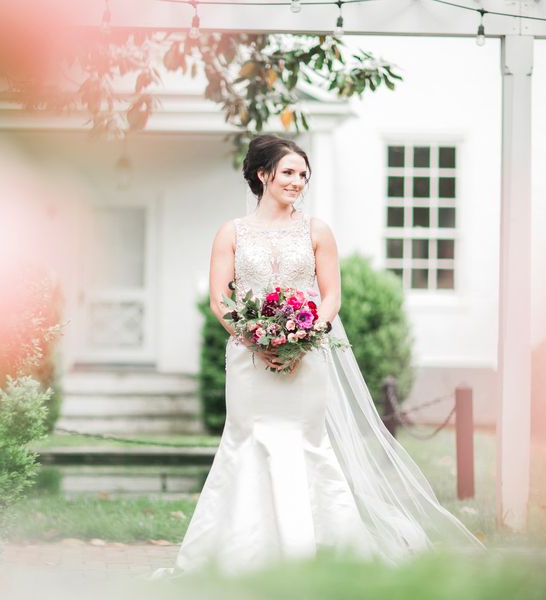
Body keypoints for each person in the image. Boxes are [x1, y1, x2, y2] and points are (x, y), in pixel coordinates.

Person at [151, 134, 484, 579]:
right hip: (249, 364)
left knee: (306, 444)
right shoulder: (230, 233)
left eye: (303, 175)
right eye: (288, 172)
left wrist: (304, 337)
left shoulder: (316, 231)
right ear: (263, 174)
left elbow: (331, 297)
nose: (297, 182)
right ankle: (239, 556)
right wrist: (258, 341)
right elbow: (220, 299)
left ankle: (317, 555)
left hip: (306, 360)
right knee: (245, 445)